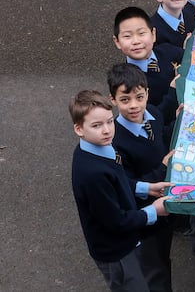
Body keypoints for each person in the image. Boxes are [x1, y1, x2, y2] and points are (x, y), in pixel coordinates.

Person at [69, 89, 170, 291]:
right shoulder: (93, 174)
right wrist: (153, 211)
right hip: (116, 251)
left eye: (109, 121)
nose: (107, 130)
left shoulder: (101, 146)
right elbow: (116, 221)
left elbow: (118, 182)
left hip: (126, 242)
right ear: (79, 129)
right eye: (96, 125)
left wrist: (146, 187)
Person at [108, 64, 175, 292]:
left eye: (139, 97)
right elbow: (125, 185)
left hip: (162, 208)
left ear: (147, 92)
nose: (134, 105)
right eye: (125, 100)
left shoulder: (152, 114)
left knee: (164, 258)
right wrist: (162, 168)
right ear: (113, 100)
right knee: (155, 269)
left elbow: (161, 137)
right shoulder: (115, 142)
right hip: (144, 215)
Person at [113, 6, 182, 124]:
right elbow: (154, 118)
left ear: (153, 34)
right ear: (117, 42)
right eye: (127, 36)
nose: (136, 41)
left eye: (141, 33)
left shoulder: (167, 50)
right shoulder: (127, 81)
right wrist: (173, 90)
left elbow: (191, 61)